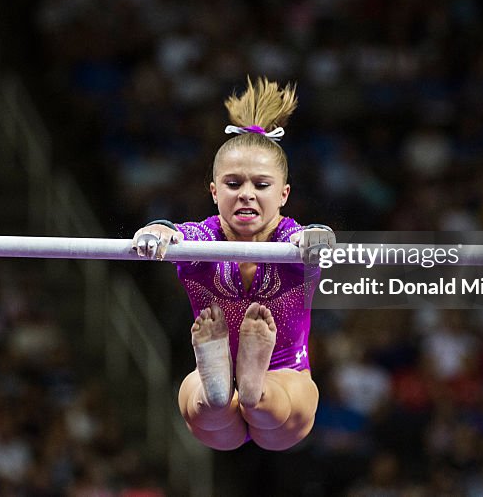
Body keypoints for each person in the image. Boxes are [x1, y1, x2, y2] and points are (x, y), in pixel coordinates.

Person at [132, 78, 334, 451]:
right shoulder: (203, 239)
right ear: (213, 191)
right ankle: (225, 386)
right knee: (213, 421)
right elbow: (176, 232)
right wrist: (157, 231)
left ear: (283, 194)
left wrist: (319, 236)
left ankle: (250, 388)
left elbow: (310, 236)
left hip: (286, 371)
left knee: (262, 419)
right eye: (233, 183)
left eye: (261, 184)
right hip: (232, 376)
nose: (246, 193)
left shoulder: (294, 241)